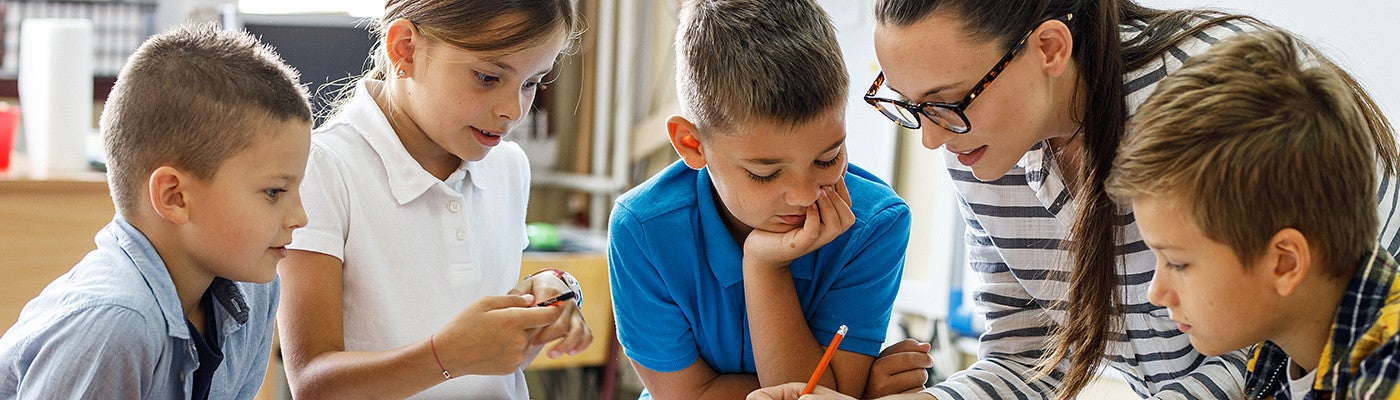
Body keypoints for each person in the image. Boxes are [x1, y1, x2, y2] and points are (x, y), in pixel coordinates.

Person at [751, 1, 1400, 399]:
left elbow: (1273, 340)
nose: (930, 141)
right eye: (910, 106)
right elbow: (1026, 360)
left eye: (947, 103)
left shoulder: (1201, 120)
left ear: (1050, 48)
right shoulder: (982, 146)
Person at [275, 0, 591, 398]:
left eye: (532, 83)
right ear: (405, 48)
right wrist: (447, 356)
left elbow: (490, 362)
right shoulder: (323, 167)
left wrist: (541, 297)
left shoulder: (508, 165)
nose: (513, 111)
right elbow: (312, 384)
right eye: (488, 77)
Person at [607, 0, 917, 398]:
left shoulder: (874, 225)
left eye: (828, 158)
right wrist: (855, 391)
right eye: (765, 173)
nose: (806, 195)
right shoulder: (643, 229)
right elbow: (689, 395)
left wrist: (764, 267)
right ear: (692, 144)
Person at [0, 24, 311, 399]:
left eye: (296, 188)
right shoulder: (115, 325)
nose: (299, 216)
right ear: (174, 197)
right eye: (274, 192)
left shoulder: (252, 292)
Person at [1106, 29, 1400, 400]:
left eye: (1177, 263)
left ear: (1285, 263)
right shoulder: (1276, 353)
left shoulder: (1388, 374)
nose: (1157, 293)